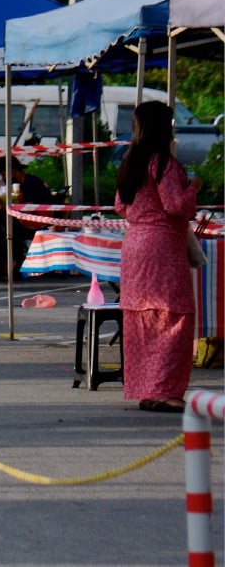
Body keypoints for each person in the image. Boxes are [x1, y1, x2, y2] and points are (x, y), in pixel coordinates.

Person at [113, 101, 202, 413]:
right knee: (173, 315)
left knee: (142, 318)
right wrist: (193, 188)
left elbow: (121, 207)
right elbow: (176, 205)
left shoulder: (130, 161)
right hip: (162, 244)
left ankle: (147, 388)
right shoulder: (164, 163)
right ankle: (166, 389)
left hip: (135, 244)